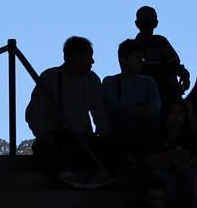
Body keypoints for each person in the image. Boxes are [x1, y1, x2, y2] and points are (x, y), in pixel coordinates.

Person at [26, 36, 109, 180]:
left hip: (84, 139)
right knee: (46, 149)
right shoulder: (50, 77)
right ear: (75, 57)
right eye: (88, 57)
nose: (92, 61)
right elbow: (34, 113)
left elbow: (100, 114)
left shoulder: (92, 80)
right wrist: (43, 134)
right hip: (56, 138)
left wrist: (106, 135)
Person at [101, 38, 161, 153]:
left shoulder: (148, 82)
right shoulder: (109, 82)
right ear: (123, 59)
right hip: (116, 144)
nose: (141, 61)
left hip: (144, 142)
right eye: (137, 57)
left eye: (142, 58)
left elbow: (155, 108)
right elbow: (104, 111)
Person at [133, 5, 192, 106]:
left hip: (166, 97)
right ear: (156, 23)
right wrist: (184, 75)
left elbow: (175, 65)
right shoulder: (158, 43)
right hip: (153, 100)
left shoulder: (160, 43)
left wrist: (184, 75)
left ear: (137, 24)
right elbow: (176, 65)